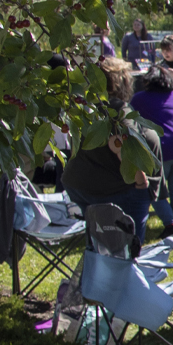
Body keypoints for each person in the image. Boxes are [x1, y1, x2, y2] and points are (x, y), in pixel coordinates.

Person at [63, 58, 158, 255]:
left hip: (79, 182)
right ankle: (123, 272)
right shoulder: (117, 109)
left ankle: (100, 266)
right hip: (112, 188)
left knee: (99, 238)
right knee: (127, 246)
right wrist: (141, 182)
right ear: (120, 82)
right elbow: (126, 147)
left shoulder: (83, 106)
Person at [125, 65, 173, 240]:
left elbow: (130, 121)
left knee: (153, 188)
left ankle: (170, 224)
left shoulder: (139, 98)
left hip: (161, 146)